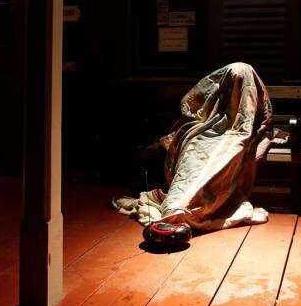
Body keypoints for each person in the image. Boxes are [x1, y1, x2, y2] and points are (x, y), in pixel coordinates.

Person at [112, 62, 282, 231]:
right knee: (194, 159)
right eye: (232, 84)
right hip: (206, 132)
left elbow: (253, 123)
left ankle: (187, 208)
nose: (237, 91)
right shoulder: (217, 103)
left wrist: (242, 135)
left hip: (237, 137)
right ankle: (177, 205)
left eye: (241, 84)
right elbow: (192, 107)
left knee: (226, 158)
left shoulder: (255, 103)